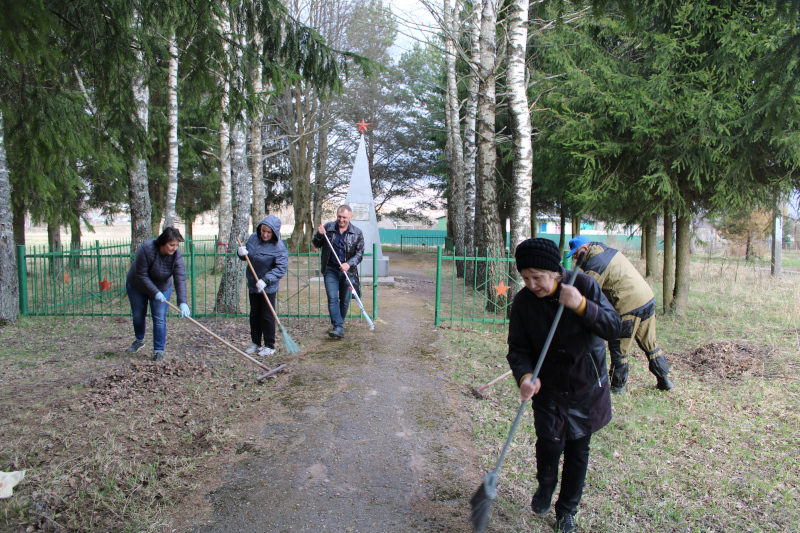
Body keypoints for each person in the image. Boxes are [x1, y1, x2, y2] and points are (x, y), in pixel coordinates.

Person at [506, 238, 621, 533]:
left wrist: (581, 306)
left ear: (555, 272)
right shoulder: (522, 302)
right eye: (525, 278)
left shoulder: (583, 286)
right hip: (550, 390)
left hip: (585, 386)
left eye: (537, 277)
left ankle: (566, 510)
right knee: (549, 445)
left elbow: (613, 326)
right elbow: (518, 348)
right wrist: (525, 376)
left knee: (578, 453)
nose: (532, 284)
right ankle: (545, 485)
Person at [567, 235, 674, 393]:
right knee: (650, 344)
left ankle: (618, 387)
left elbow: (587, 292)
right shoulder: (607, 251)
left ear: (584, 249)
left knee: (618, 347)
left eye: (576, 255)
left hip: (628, 304)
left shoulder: (596, 265)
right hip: (647, 298)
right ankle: (664, 380)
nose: (576, 260)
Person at [125, 227, 191, 361]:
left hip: (163, 286)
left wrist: (182, 302)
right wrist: (155, 292)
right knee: (138, 315)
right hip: (138, 285)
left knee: (160, 318)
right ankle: (139, 340)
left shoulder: (176, 255)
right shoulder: (147, 249)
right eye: (171, 245)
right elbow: (141, 275)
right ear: (162, 242)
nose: (174, 248)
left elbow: (180, 278)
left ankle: (158, 351)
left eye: (177, 245)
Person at [237, 216, 288, 356]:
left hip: (268, 287)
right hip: (253, 284)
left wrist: (266, 280)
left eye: (268, 232)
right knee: (254, 315)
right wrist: (240, 253)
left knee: (267, 316)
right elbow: (246, 255)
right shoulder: (253, 238)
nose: (264, 234)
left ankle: (269, 345)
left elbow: (281, 267)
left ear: (275, 233)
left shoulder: (279, 247)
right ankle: (256, 343)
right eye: (263, 231)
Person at [311, 205, 365, 339]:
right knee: (332, 298)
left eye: (344, 217)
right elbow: (316, 244)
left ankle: (338, 326)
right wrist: (319, 235)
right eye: (339, 217)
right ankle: (338, 326)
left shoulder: (357, 233)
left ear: (350, 217)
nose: (341, 220)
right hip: (330, 270)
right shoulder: (328, 228)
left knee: (345, 300)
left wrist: (348, 264)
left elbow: (360, 253)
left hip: (348, 272)